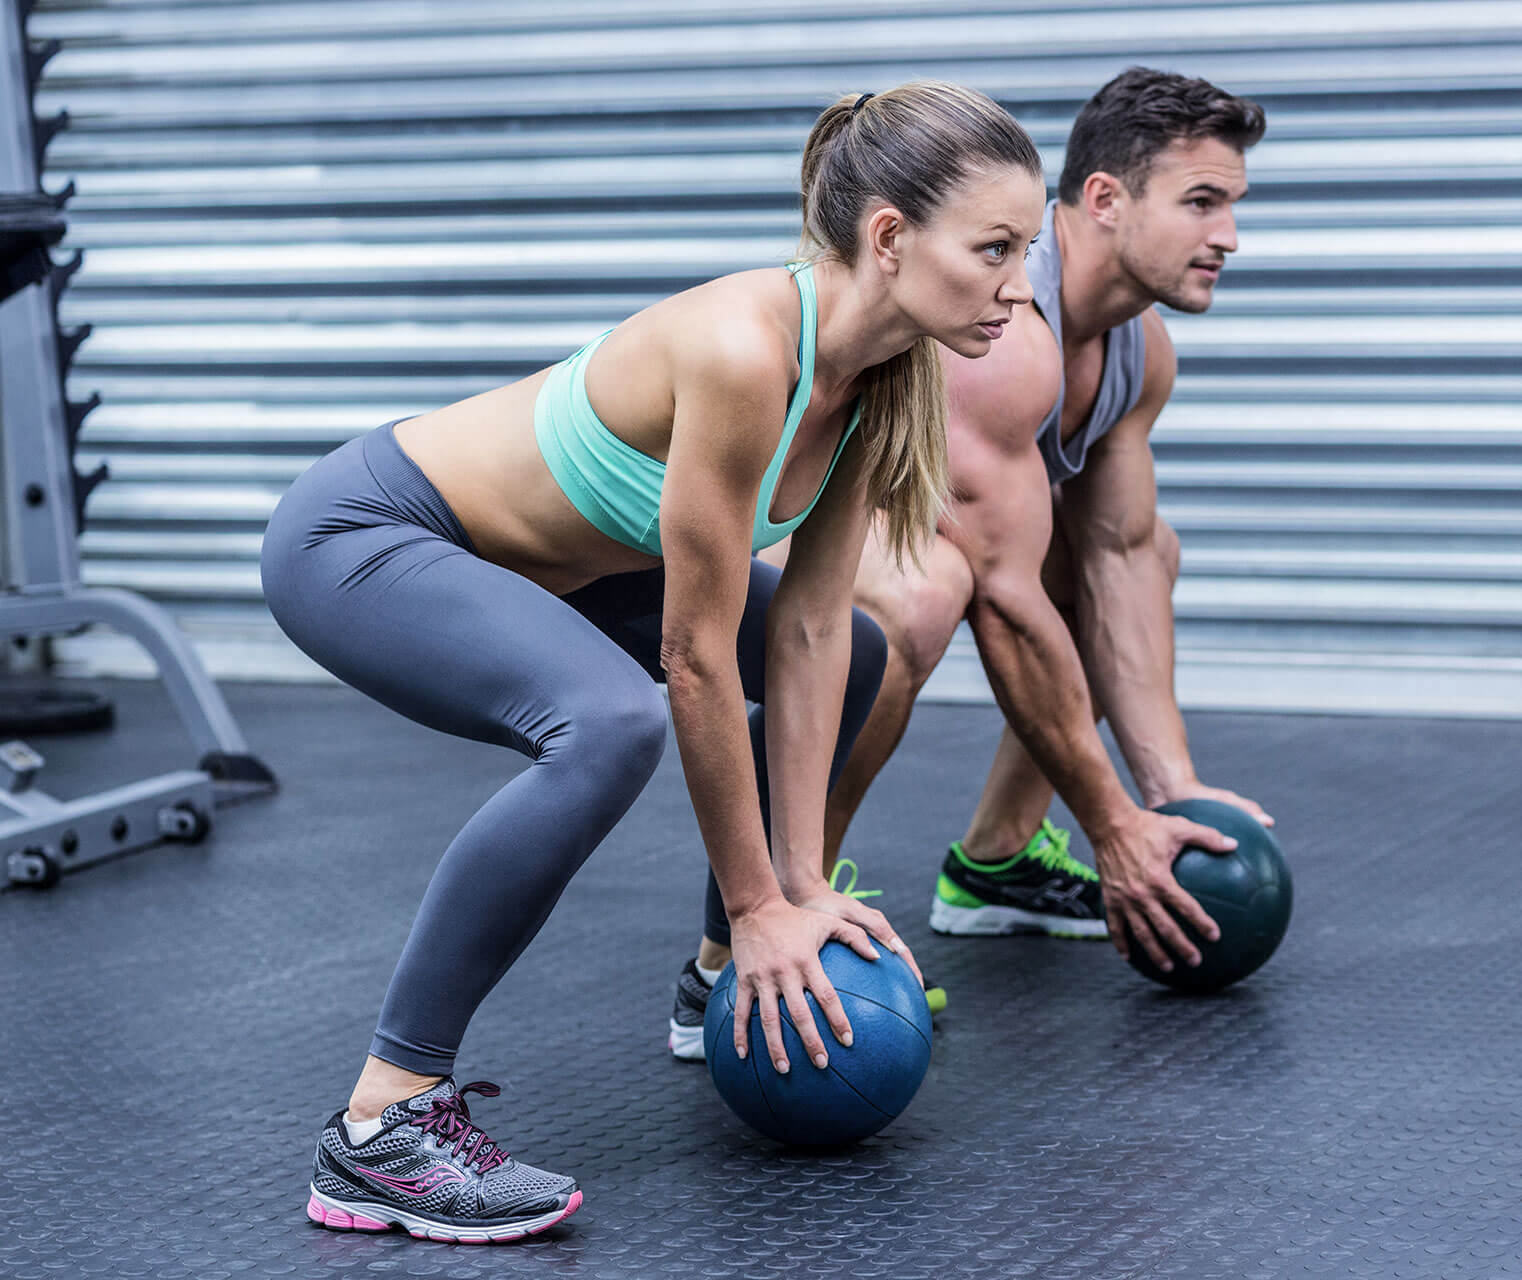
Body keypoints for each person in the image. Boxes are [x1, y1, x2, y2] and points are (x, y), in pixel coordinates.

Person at [260, 83, 1044, 1243]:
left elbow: (812, 630)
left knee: (865, 653)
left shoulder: (886, 373)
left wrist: (797, 887)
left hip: (566, 567)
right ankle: (383, 1121)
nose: (1021, 287)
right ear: (890, 237)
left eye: (1026, 251)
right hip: (370, 537)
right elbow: (693, 655)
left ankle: (719, 976)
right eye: (995, 249)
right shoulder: (742, 349)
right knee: (611, 722)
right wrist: (758, 894)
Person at [669, 69, 1271, 1057]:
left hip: (940, 551)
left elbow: (1119, 559)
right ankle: (755, 932)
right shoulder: (1006, 337)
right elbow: (1003, 596)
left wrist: (1170, 795)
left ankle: (997, 862)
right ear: (1106, 199)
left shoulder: (1139, 353)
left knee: (1144, 548)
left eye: (1234, 205)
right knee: (923, 591)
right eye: (1202, 202)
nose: (1230, 236)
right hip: (793, 563)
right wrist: (1113, 825)